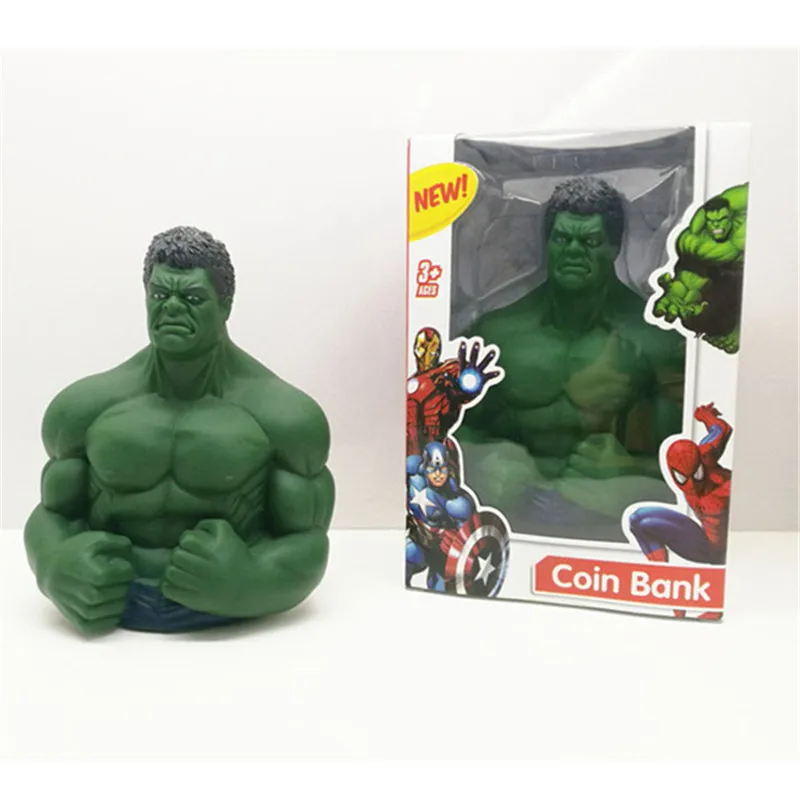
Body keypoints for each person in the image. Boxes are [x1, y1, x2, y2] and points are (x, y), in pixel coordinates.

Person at [25, 226, 334, 633]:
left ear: (225, 305)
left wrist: (252, 582)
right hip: (114, 601)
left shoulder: (286, 419)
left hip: (232, 627)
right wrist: (53, 567)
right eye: (159, 296)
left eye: (191, 298)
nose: (171, 308)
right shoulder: (82, 409)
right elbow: (51, 515)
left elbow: (308, 542)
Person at [458, 177, 686, 541]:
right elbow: (450, 426)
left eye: (590, 241)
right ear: (546, 243)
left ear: (615, 247)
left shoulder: (654, 341)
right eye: (562, 239)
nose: (574, 251)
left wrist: (631, 473)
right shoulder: (498, 335)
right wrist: (480, 465)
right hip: (509, 526)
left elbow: (691, 463)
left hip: (616, 531)